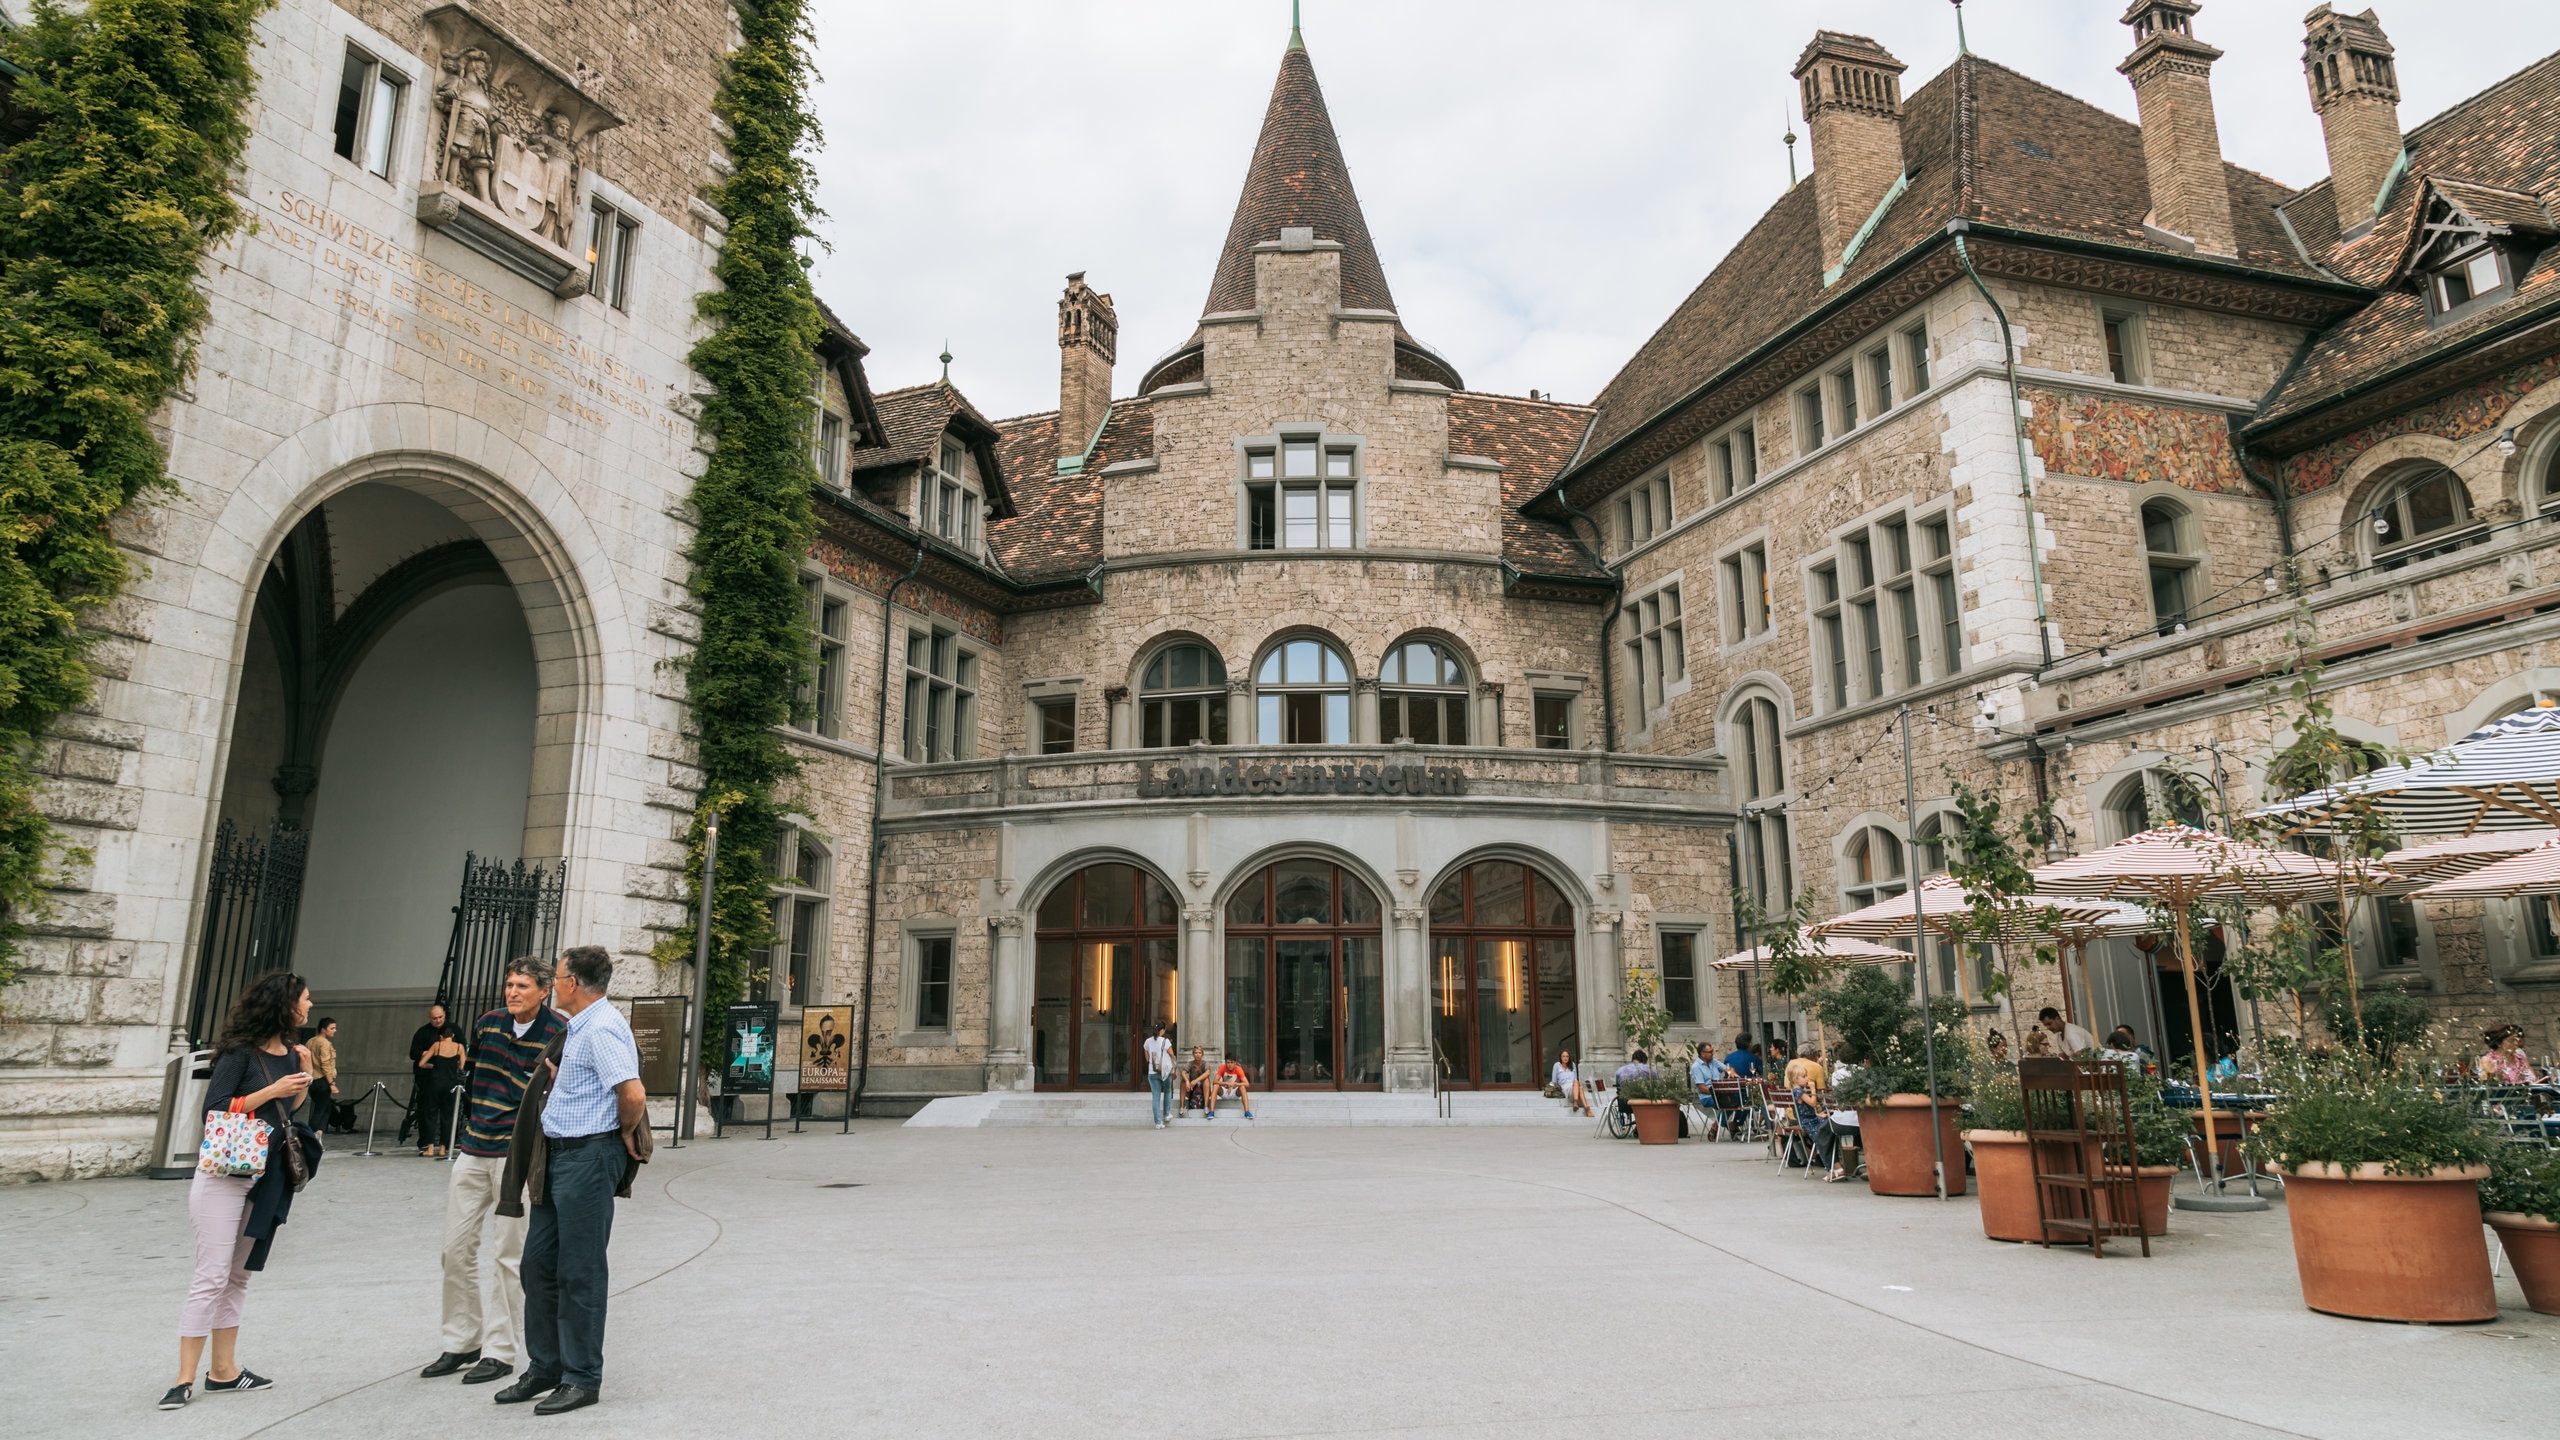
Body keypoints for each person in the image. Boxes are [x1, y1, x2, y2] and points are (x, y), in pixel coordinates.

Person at [493, 946, 648, 1416]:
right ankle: (546, 1367)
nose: (555, 983)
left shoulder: (601, 1028)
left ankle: (581, 1377)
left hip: (587, 1157)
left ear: (572, 983)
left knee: (579, 1270)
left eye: (558, 977)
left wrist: (621, 1131)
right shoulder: (578, 1028)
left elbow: (633, 1092)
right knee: (538, 1265)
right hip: (559, 1159)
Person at [165, 970, 318, 1411]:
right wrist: (271, 1088)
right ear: (285, 1005)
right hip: (223, 1174)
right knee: (210, 1275)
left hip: (266, 1174)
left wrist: (302, 1077)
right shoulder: (239, 1054)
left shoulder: (292, 1053)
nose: (309, 1006)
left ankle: (224, 1372)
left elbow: (286, 1111)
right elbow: (213, 1110)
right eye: (305, 999)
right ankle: (182, 1379)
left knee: (238, 1275)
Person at [421, 957, 564, 1386]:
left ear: (544, 990)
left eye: (522, 985)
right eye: (509, 984)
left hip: (516, 1156)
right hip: (473, 1148)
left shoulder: (559, 1032)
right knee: (455, 1248)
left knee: (508, 1256)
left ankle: (500, 1351)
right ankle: (461, 1340)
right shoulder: (488, 1024)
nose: (513, 991)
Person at [417, 1022, 466, 1158]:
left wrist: (433, 1066)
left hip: (435, 1083)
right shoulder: (459, 1047)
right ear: (453, 1035)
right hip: (450, 1084)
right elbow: (462, 1066)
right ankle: (443, 1148)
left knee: (431, 1114)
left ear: (440, 1036)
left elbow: (421, 1064)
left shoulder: (436, 1046)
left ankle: (431, 1147)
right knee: (447, 1115)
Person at [403, 1003, 449, 1145]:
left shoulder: (451, 1030)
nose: (438, 1020)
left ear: (444, 1016)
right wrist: (431, 1054)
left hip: (445, 1076)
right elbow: (414, 1054)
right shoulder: (422, 1032)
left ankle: (444, 1142)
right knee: (427, 1110)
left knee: (446, 1110)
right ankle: (425, 1141)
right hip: (427, 1078)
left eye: (440, 1017)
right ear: (430, 1018)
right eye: (434, 1018)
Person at [305, 1017, 339, 1131]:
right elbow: (325, 1064)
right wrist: (332, 1084)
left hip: (312, 1079)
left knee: (325, 1107)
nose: (334, 1030)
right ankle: (312, 1133)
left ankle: (318, 1133)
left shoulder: (311, 1041)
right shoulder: (324, 1043)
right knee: (321, 1110)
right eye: (332, 1028)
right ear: (323, 1029)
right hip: (322, 1080)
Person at [1143, 1024, 1175, 1128]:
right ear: (1163, 1030)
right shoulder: (1166, 1041)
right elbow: (1172, 1055)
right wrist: (1174, 1070)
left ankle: (1158, 1122)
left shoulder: (1147, 1041)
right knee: (1167, 1091)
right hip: (1165, 1071)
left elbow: (1147, 1059)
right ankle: (1166, 1114)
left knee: (1155, 1096)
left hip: (1152, 1072)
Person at [1553, 1048, 1593, 1117]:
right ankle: (1584, 1107)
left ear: (1569, 1057)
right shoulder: (1557, 1065)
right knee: (1578, 1085)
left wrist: (1576, 1084)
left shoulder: (1573, 1065)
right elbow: (1554, 1081)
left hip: (1574, 1087)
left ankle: (1579, 1104)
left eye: (1567, 1056)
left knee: (1578, 1085)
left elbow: (1575, 1078)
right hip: (1565, 1088)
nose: (1565, 1058)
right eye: (1563, 1056)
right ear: (1560, 1057)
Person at [1179, 1045, 1211, 1114]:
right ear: (1193, 1054)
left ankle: (1206, 1106)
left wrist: (1196, 1081)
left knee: (1206, 1080)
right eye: (1196, 1053)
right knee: (1183, 1081)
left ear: (1202, 1054)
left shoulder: (1206, 1063)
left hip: (1203, 1088)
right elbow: (1183, 1072)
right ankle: (1182, 1106)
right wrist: (1187, 1081)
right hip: (1192, 1088)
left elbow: (1207, 1072)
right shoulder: (1190, 1063)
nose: (1198, 1055)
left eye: (1199, 1053)